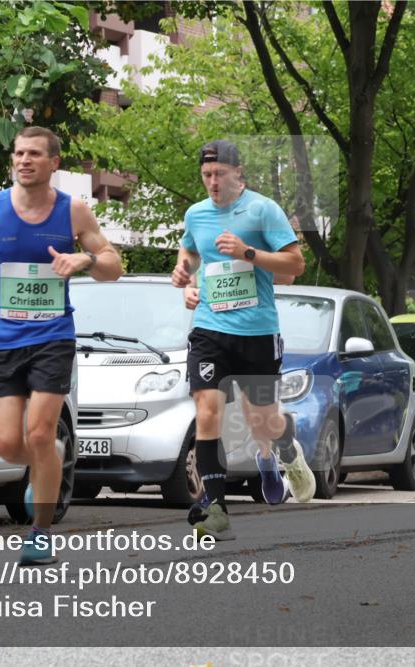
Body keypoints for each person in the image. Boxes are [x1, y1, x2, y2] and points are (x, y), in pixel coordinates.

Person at [0, 126, 122, 564]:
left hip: (52, 337)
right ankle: (52, 458)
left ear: (53, 163)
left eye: (33, 154)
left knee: (40, 431)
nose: (24, 160)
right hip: (3, 340)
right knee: (8, 445)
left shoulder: (74, 211)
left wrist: (84, 259)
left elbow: (113, 266)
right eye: (18, 153)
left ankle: (39, 532)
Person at [171, 139, 314, 540]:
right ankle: (216, 507)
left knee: (262, 421)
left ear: (238, 173)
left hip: (256, 331)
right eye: (206, 175)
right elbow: (188, 256)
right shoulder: (196, 214)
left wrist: (248, 252)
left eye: (219, 174)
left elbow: (295, 263)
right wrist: (184, 279)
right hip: (209, 328)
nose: (212, 182)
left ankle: (286, 448)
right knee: (207, 412)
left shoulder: (263, 209)